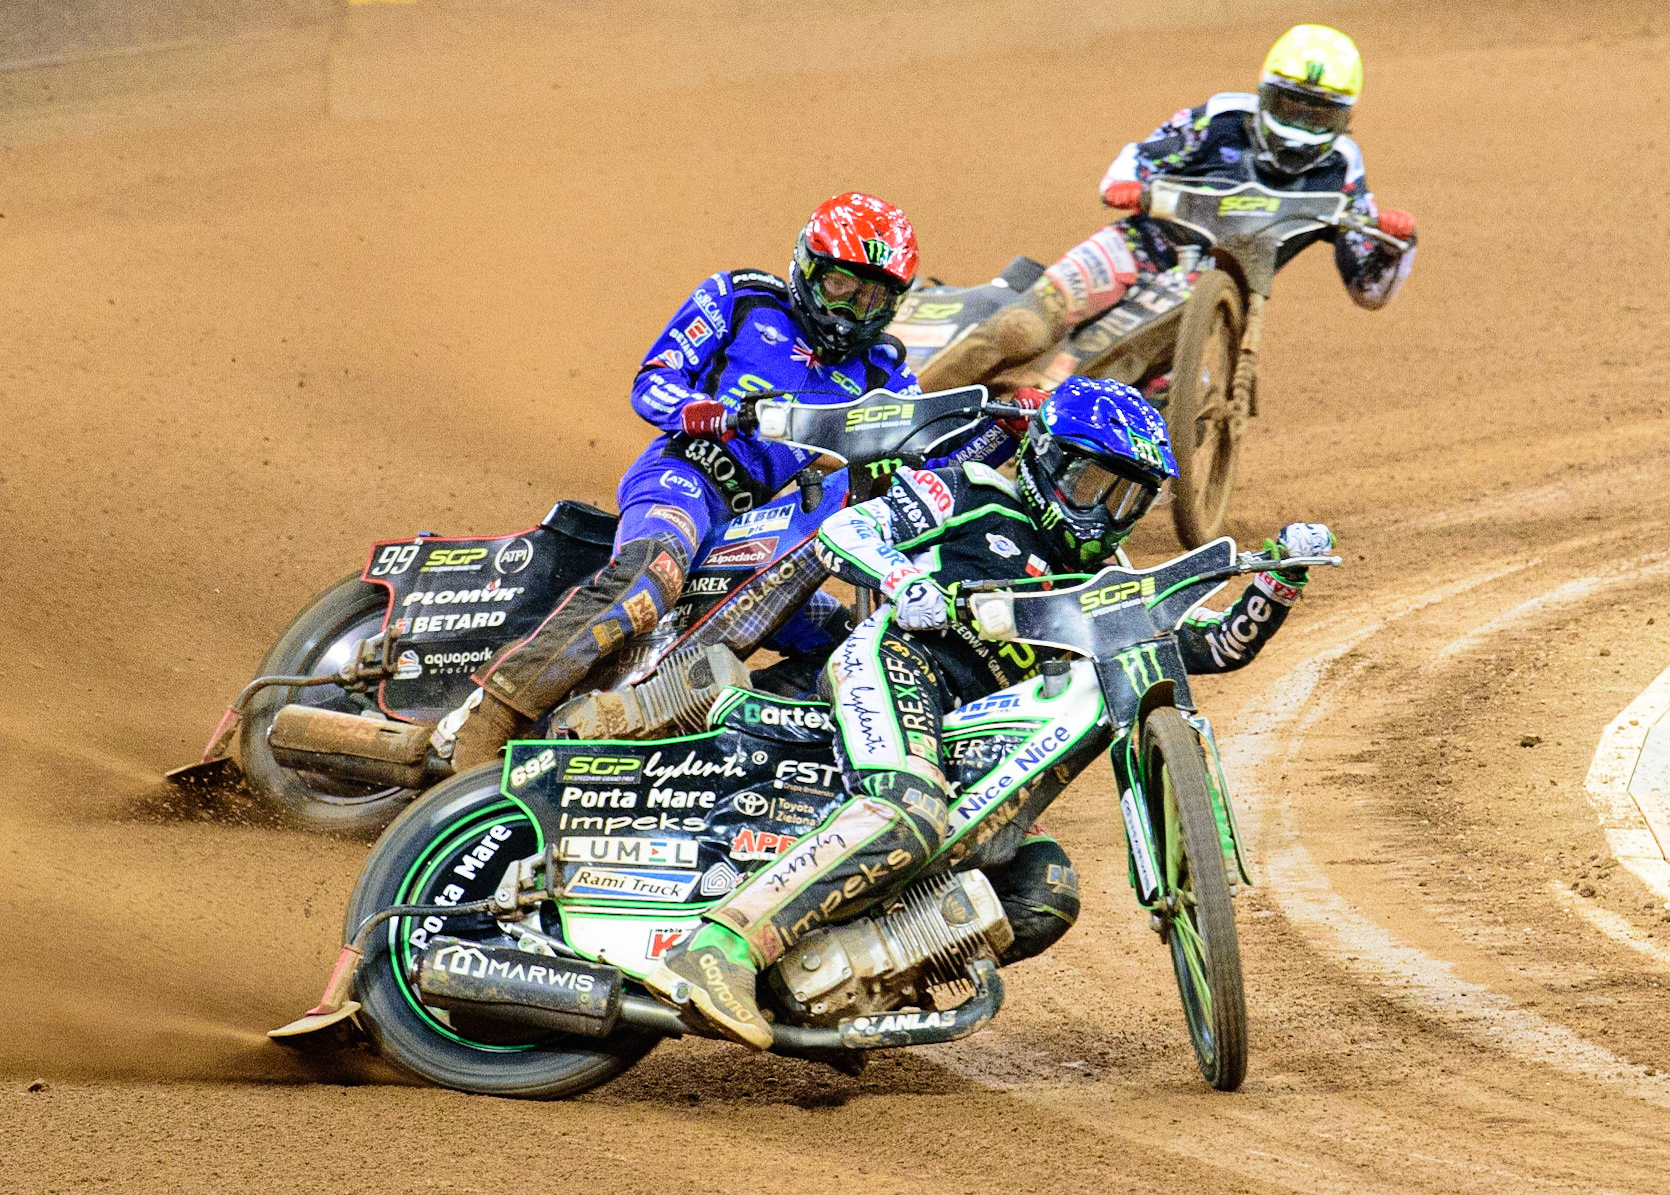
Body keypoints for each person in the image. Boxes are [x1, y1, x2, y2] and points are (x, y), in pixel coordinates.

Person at [647, 375, 1334, 1048]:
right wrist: (901, 577)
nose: (1101, 512)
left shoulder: (1106, 581)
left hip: (975, 734)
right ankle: (719, 948)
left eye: (1127, 498)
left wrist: (1278, 581)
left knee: (1045, 887)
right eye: (1091, 483)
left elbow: (1211, 643)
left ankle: (837, 986)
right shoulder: (972, 493)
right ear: (1044, 458)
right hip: (901, 664)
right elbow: (847, 528)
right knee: (908, 809)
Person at [432, 192, 1035, 768]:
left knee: (849, 642)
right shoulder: (742, 298)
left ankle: (726, 751)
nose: (852, 310)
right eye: (841, 286)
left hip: (758, 521)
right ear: (808, 266)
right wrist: (711, 413)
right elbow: (653, 381)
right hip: (683, 474)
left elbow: (919, 458)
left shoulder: (883, 367)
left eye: (872, 298)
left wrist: (1007, 430)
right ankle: (493, 719)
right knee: (653, 578)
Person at [917, 23, 1418, 393]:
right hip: (1139, 245)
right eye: (1290, 107)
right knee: (1016, 328)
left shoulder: (1344, 167)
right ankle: (904, 406)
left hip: (1206, 287)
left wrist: (1393, 243)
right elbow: (1137, 159)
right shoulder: (1218, 120)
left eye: (1320, 115)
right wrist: (1127, 186)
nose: (1301, 125)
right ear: (1267, 94)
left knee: (1066, 371)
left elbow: (1367, 287)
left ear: (1344, 117)